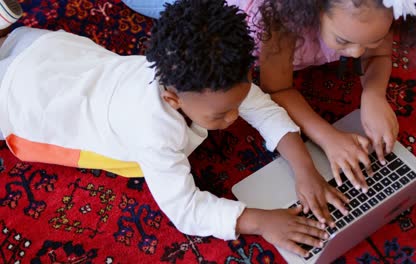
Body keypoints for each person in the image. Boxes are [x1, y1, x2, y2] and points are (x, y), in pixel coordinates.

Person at [0, 0, 349, 257]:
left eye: (236, 104)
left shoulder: (213, 79)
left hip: (55, 56)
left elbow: (260, 106)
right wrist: (261, 221)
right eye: (221, 115)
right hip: (26, 100)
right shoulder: (153, 132)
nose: (232, 120)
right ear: (172, 100)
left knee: (11, 46)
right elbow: (185, 210)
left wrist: (305, 169)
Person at [228, 0, 416, 193]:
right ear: (314, 9)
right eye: (342, 40)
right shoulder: (282, 17)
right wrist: (328, 137)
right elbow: (277, 89)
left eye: (374, 40)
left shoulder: (381, 8)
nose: (356, 53)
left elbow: (378, 55)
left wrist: (374, 95)